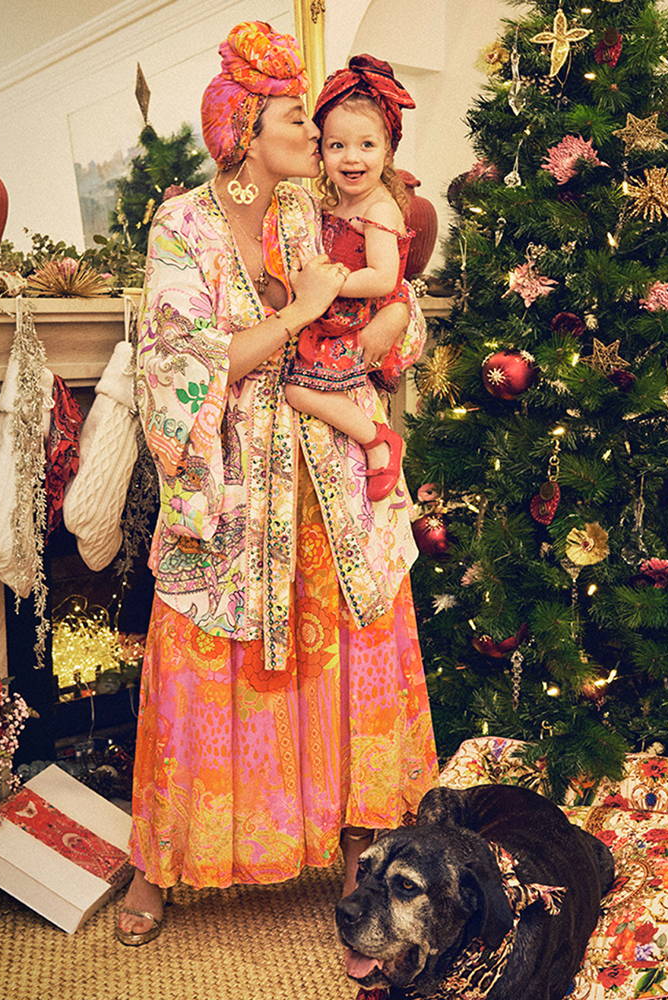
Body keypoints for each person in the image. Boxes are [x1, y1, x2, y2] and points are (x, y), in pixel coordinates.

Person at [117, 21, 438, 947]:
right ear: (249, 128)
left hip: (330, 475)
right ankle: (159, 863)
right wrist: (296, 312)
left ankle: (359, 843)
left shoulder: (317, 210)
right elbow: (177, 363)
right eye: (301, 117)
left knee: (349, 644)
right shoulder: (181, 224)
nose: (317, 132)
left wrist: (394, 326)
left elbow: (384, 304)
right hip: (230, 488)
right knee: (196, 662)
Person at [283, 56, 415, 503]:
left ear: (388, 151)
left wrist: (326, 286)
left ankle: (379, 441)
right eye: (337, 145)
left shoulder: (379, 208)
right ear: (320, 152)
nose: (351, 157)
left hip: (355, 324)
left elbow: (382, 278)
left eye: (366, 145)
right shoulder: (328, 205)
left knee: (298, 389)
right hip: (331, 319)